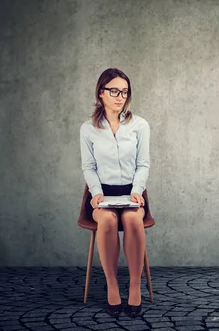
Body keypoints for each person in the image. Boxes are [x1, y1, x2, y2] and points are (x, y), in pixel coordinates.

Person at [79, 68, 150, 317]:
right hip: (102, 194)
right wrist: (96, 193)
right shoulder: (88, 129)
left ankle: (134, 286)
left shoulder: (139, 125)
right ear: (101, 93)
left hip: (131, 193)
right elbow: (88, 167)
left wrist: (137, 190)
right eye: (114, 91)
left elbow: (143, 164)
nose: (120, 97)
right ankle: (112, 285)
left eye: (125, 92)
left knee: (132, 219)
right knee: (107, 221)